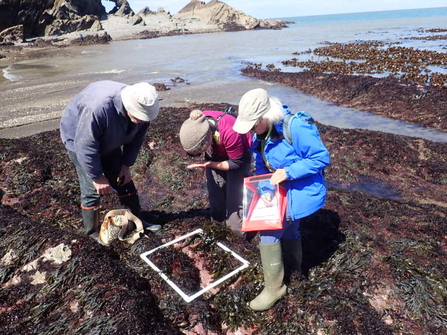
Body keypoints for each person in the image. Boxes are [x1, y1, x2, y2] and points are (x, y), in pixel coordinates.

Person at [232, 88, 330, 311]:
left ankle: (275, 288)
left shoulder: (295, 127)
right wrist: (263, 188)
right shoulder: (260, 133)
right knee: (290, 230)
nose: (251, 131)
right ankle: (293, 271)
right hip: (278, 193)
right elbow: (260, 165)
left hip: (299, 191)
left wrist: (288, 172)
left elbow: (320, 158)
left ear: (265, 117)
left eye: (253, 125)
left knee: (268, 234)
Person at [60, 80, 162, 243]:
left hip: (110, 137)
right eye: (139, 117)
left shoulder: (144, 110)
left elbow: (136, 140)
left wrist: (126, 165)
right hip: (78, 140)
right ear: (129, 107)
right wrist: (97, 177)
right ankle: (92, 233)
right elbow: (85, 146)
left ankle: (138, 221)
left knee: (124, 180)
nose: (142, 121)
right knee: (92, 190)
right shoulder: (97, 109)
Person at [179, 109, 252, 238]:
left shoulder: (230, 131)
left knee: (234, 202)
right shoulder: (197, 125)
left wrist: (210, 164)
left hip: (238, 158)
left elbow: (236, 163)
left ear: (209, 140)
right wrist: (209, 162)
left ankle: (240, 235)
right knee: (216, 197)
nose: (198, 155)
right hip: (216, 152)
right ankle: (218, 228)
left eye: (200, 152)